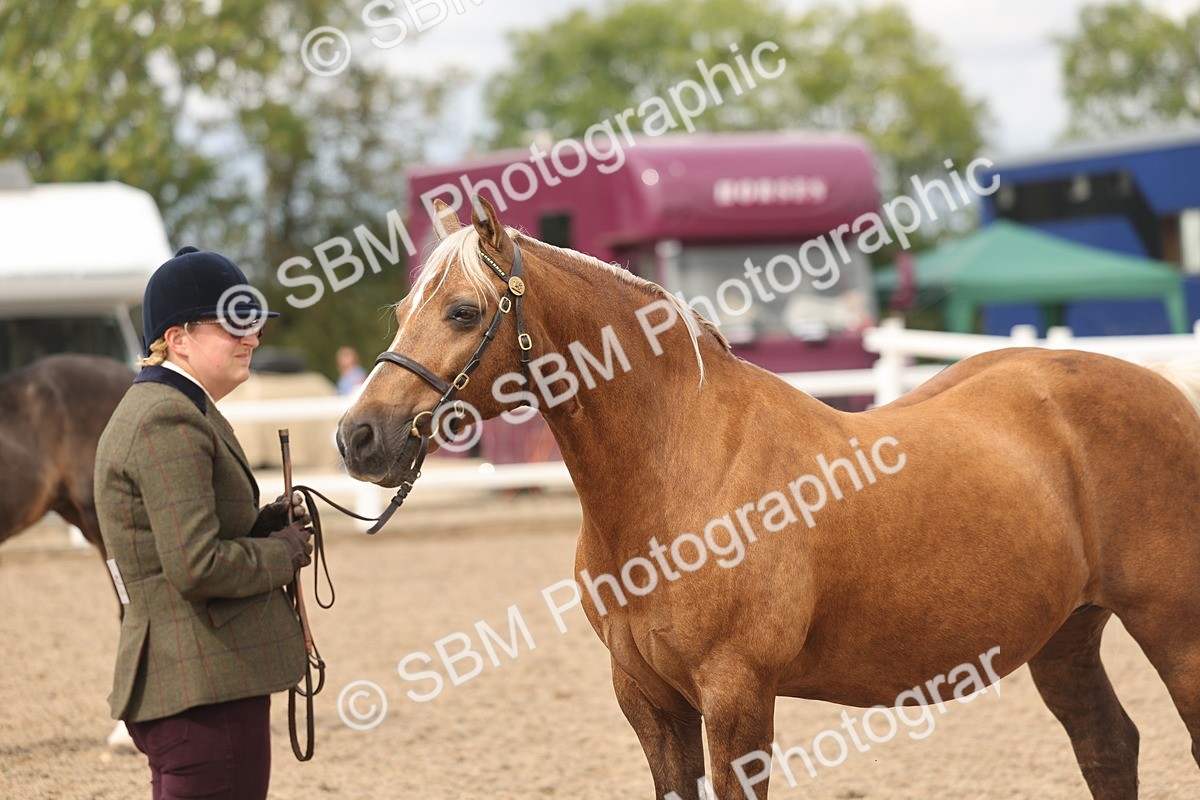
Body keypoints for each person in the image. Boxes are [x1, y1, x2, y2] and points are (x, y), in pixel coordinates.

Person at [95, 246, 314, 800]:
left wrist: (262, 525)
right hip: (202, 688)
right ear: (179, 338)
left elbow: (185, 535)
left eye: (255, 323)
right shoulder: (167, 418)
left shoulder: (175, 408)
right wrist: (283, 551)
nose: (253, 338)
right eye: (235, 325)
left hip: (194, 684)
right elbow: (198, 566)